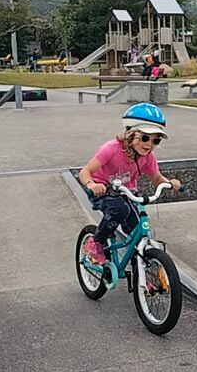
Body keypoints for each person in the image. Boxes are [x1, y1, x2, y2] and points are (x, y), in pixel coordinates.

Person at [77, 103, 183, 264]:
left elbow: (157, 178)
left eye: (156, 140)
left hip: (127, 192)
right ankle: (96, 242)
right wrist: (91, 185)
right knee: (119, 209)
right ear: (130, 133)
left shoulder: (148, 157)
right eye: (145, 138)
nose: (149, 144)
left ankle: (141, 271)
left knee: (137, 229)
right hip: (103, 190)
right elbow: (85, 172)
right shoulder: (111, 149)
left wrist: (170, 183)